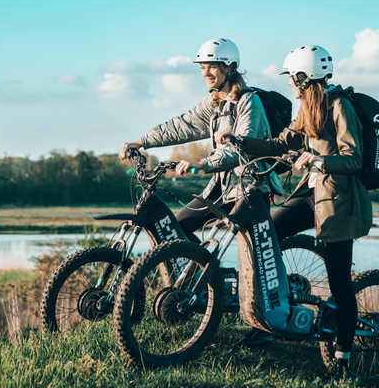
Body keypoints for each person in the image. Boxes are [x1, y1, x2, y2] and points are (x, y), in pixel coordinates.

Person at [231, 44, 373, 378]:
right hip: (312, 194)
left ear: (303, 77)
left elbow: (354, 159)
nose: (289, 84)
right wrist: (241, 142)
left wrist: (319, 159)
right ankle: (276, 312)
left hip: (339, 202)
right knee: (268, 234)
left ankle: (342, 360)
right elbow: (282, 143)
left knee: (340, 284)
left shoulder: (339, 106)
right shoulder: (307, 108)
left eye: (291, 78)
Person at [119, 37, 282, 245]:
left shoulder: (249, 102)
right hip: (221, 187)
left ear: (230, 68)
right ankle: (200, 266)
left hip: (250, 187)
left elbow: (242, 149)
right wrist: (141, 142)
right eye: (203, 67)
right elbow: (182, 125)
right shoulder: (213, 102)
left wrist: (202, 164)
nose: (205, 73)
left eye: (212, 67)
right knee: (175, 229)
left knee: (252, 253)